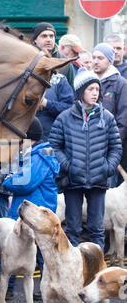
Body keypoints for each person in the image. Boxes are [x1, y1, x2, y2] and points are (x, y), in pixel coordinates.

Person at [49, 69, 122, 253]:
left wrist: (107, 167)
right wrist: (69, 166)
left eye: (97, 89)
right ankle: (74, 270)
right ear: (81, 92)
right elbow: (54, 146)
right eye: (90, 89)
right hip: (73, 180)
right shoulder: (65, 117)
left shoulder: (107, 118)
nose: (95, 93)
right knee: (73, 229)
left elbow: (116, 147)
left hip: (98, 180)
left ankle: (96, 271)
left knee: (97, 229)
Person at [2, 118, 59, 299]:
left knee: (23, 247)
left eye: (20, 140)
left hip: (34, 213)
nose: (18, 145)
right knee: (42, 251)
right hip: (42, 210)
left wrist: (8, 180)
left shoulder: (37, 157)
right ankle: (48, 286)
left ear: (28, 138)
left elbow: (26, 183)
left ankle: (47, 287)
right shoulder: (40, 154)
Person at [92, 42, 127, 183]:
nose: (95, 61)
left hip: (108, 150)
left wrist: (111, 142)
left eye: (100, 58)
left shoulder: (120, 83)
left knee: (107, 194)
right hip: (86, 148)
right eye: (94, 57)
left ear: (110, 61)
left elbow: (123, 119)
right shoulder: (86, 81)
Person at [31, 22, 75, 91]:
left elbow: (71, 93)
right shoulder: (28, 59)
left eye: (51, 36)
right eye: (44, 36)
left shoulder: (65, 62)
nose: (49, 39)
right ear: (35, 40)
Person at [36, 71, 74, 140]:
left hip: (50, 139)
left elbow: (69, 109)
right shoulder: (25, 77)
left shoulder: (59, 80)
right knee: (25, 150)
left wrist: (46, 103)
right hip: (26, 140)